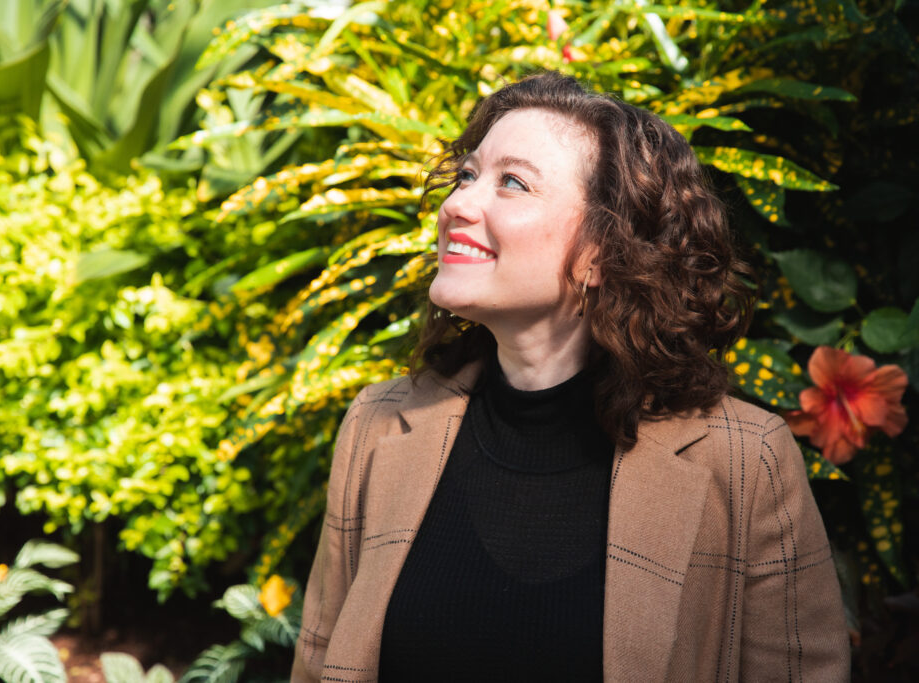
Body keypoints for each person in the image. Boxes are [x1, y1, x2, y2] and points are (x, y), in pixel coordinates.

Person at [291, 71, 849, 682]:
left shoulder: (744, 462)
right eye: (467, 175)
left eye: (512, 183)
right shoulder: (378, 425)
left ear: (603, 254)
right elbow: (320, 661)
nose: (457, 204)